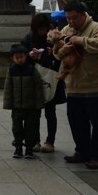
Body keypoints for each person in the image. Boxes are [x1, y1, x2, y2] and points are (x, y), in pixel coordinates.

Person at [54, 0, 98, 170]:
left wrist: (80, 40)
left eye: (74, 18)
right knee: (76, 122)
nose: (71, 22)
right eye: (68, 18)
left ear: (83, 15)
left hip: (96, 86)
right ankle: (82, 151)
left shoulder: (96, 27)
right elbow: (57, 54)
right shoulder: (66, 30)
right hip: (74, 85)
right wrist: (63, 50)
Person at [23, 12, 63, 153]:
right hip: (34, 80)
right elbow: (18, 54)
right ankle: (35, 140)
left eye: (44, 29)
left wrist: (53, 53)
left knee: (50, 112)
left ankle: (50, 141)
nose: (42, 32)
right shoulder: (29, 38)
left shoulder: (53, 38)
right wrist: (29, 55)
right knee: (35, 113)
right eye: (39, 29)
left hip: (50, 79)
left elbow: (60, 58)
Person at [3, 43, 47, 160]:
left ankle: (29, 148)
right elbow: (8, 89)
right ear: (12, 58)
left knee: (30, 129)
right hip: (16, 106)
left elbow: (38, 88)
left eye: (21, 57)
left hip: (30, 107)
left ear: (26, 56)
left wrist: (39, 104)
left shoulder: (32, 70)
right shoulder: (11, 70)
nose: (19, 59)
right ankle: (18, 147)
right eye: (17, 57)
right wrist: (8, 104)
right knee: (16, 129)